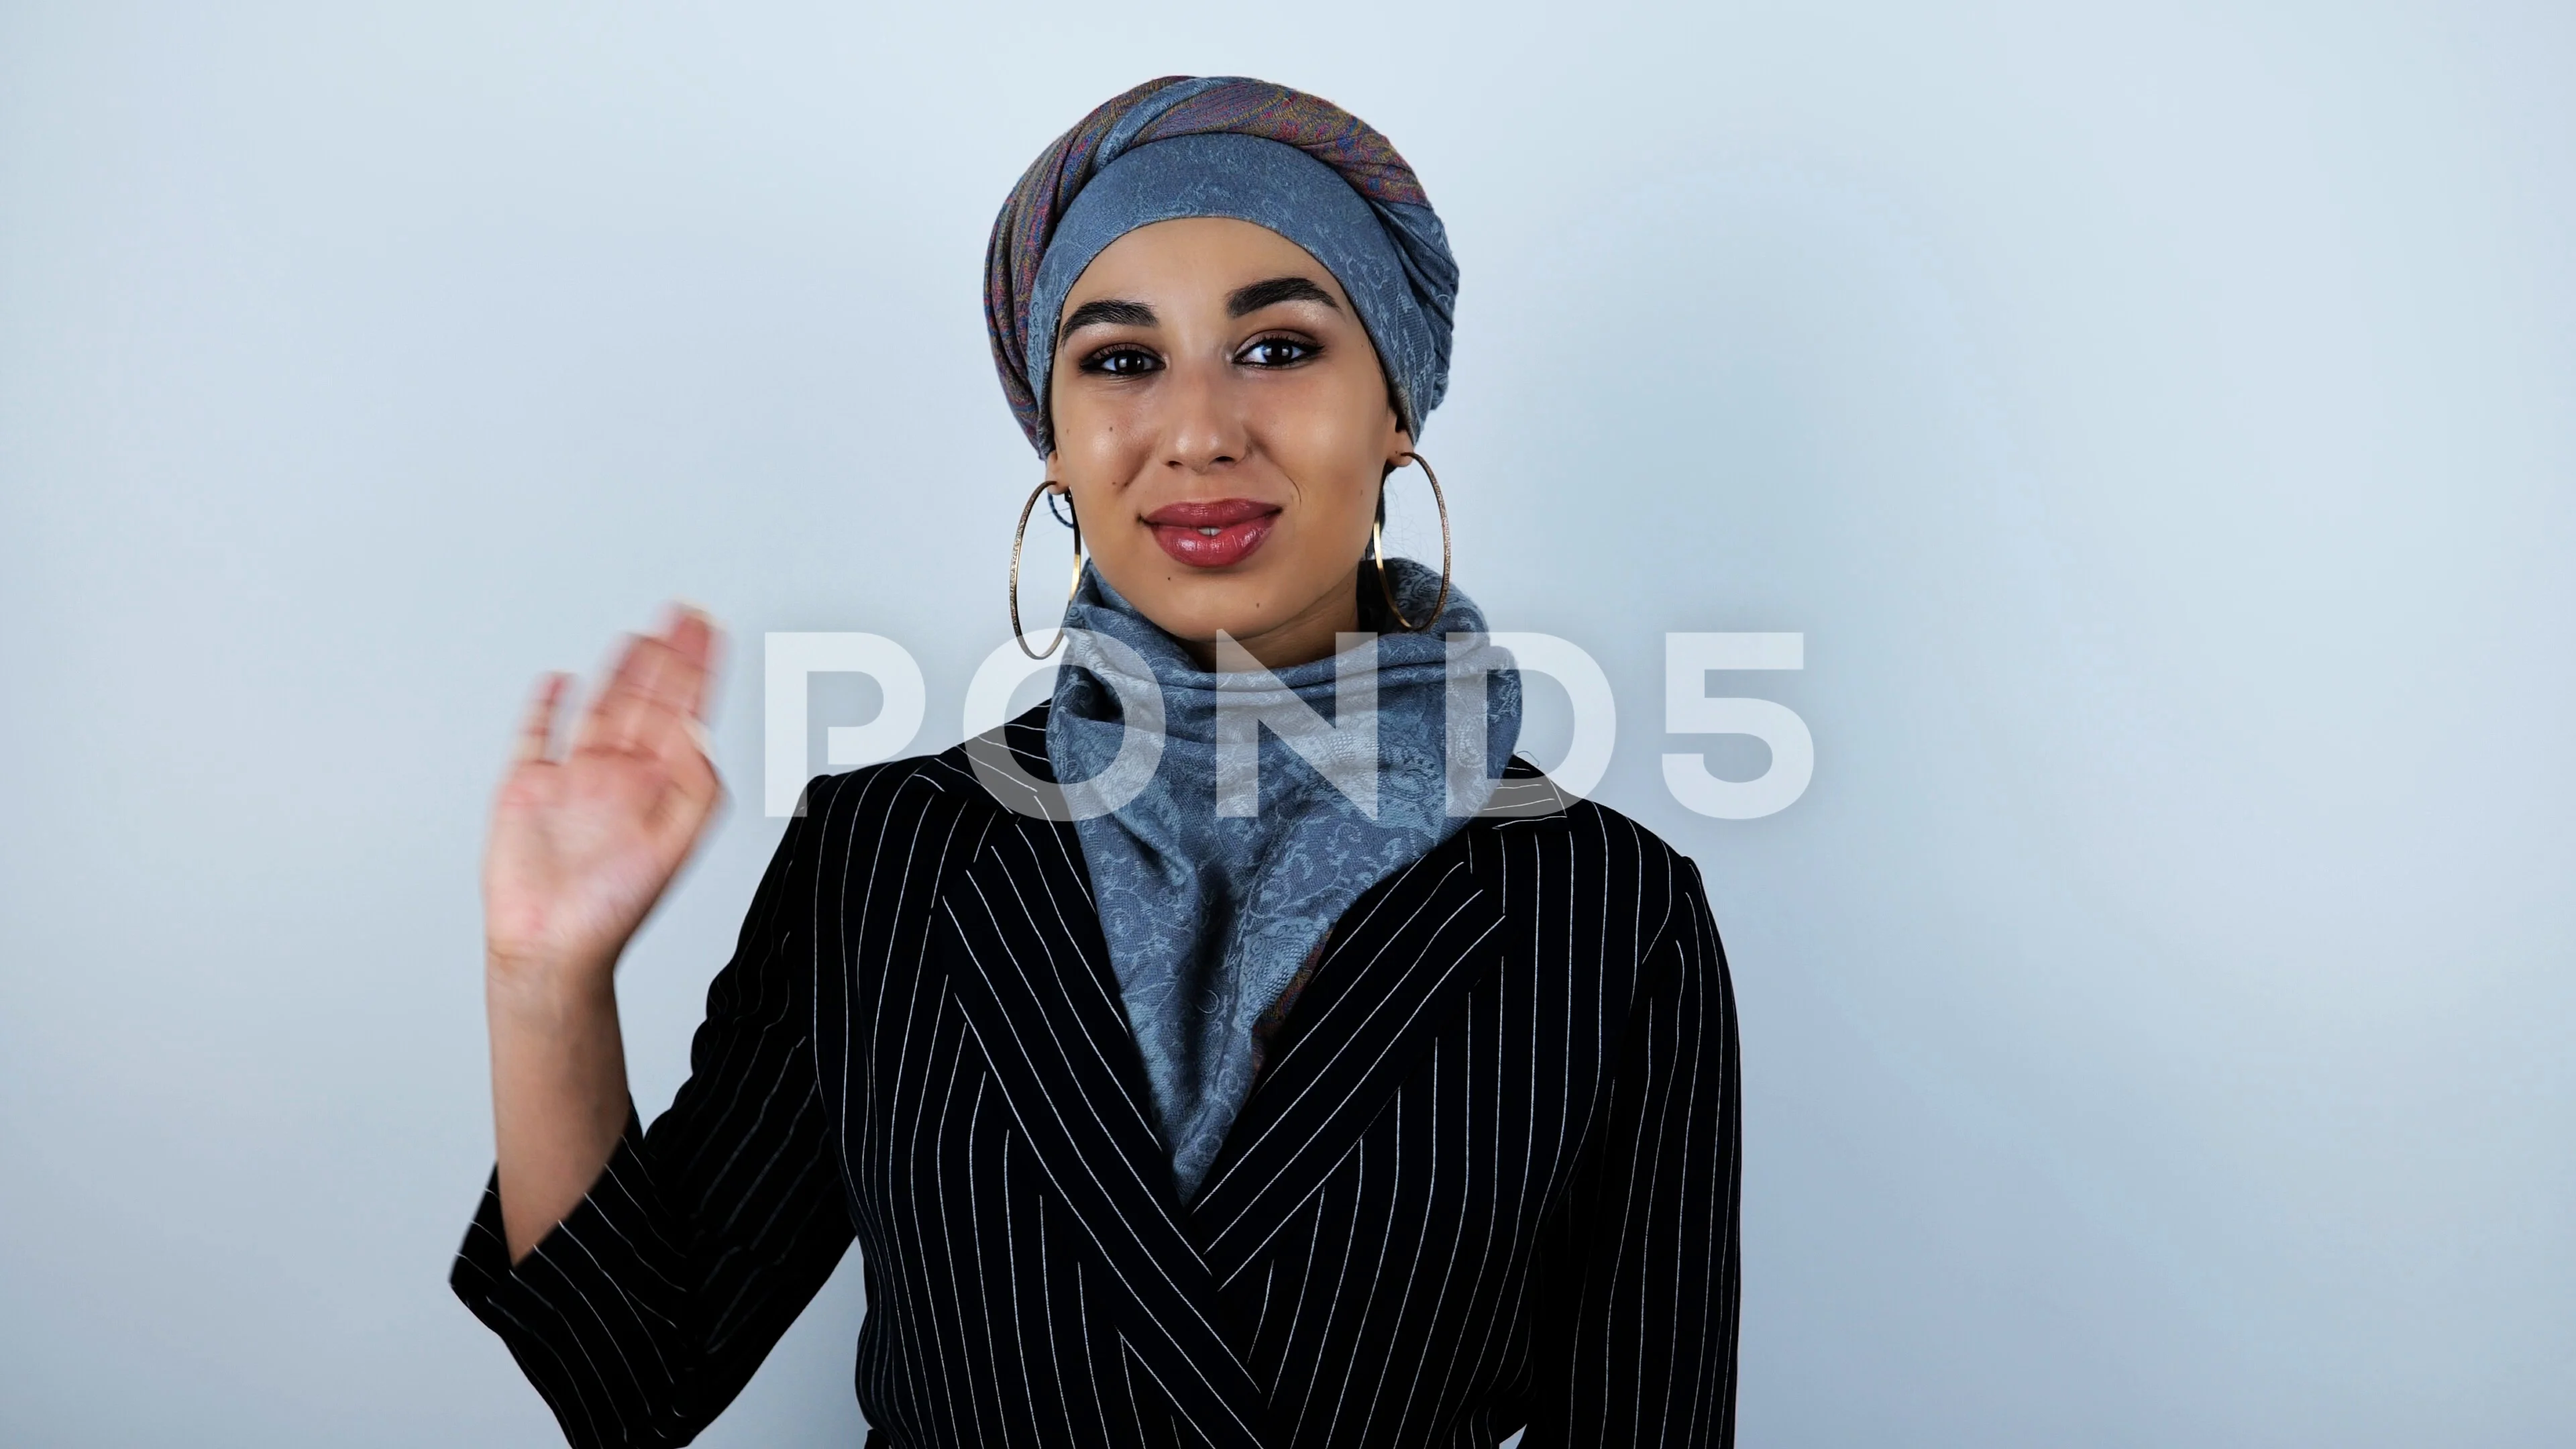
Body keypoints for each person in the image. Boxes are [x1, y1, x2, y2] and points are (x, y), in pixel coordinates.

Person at [453, 75, 1741, 1449]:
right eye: (1122, 361)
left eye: (1279, 349)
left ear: (1395, 410)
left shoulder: (1608, 910)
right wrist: (547, 979)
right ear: (1055, 446)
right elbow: (628, 1379)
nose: (1197, 431)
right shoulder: (886, 856)